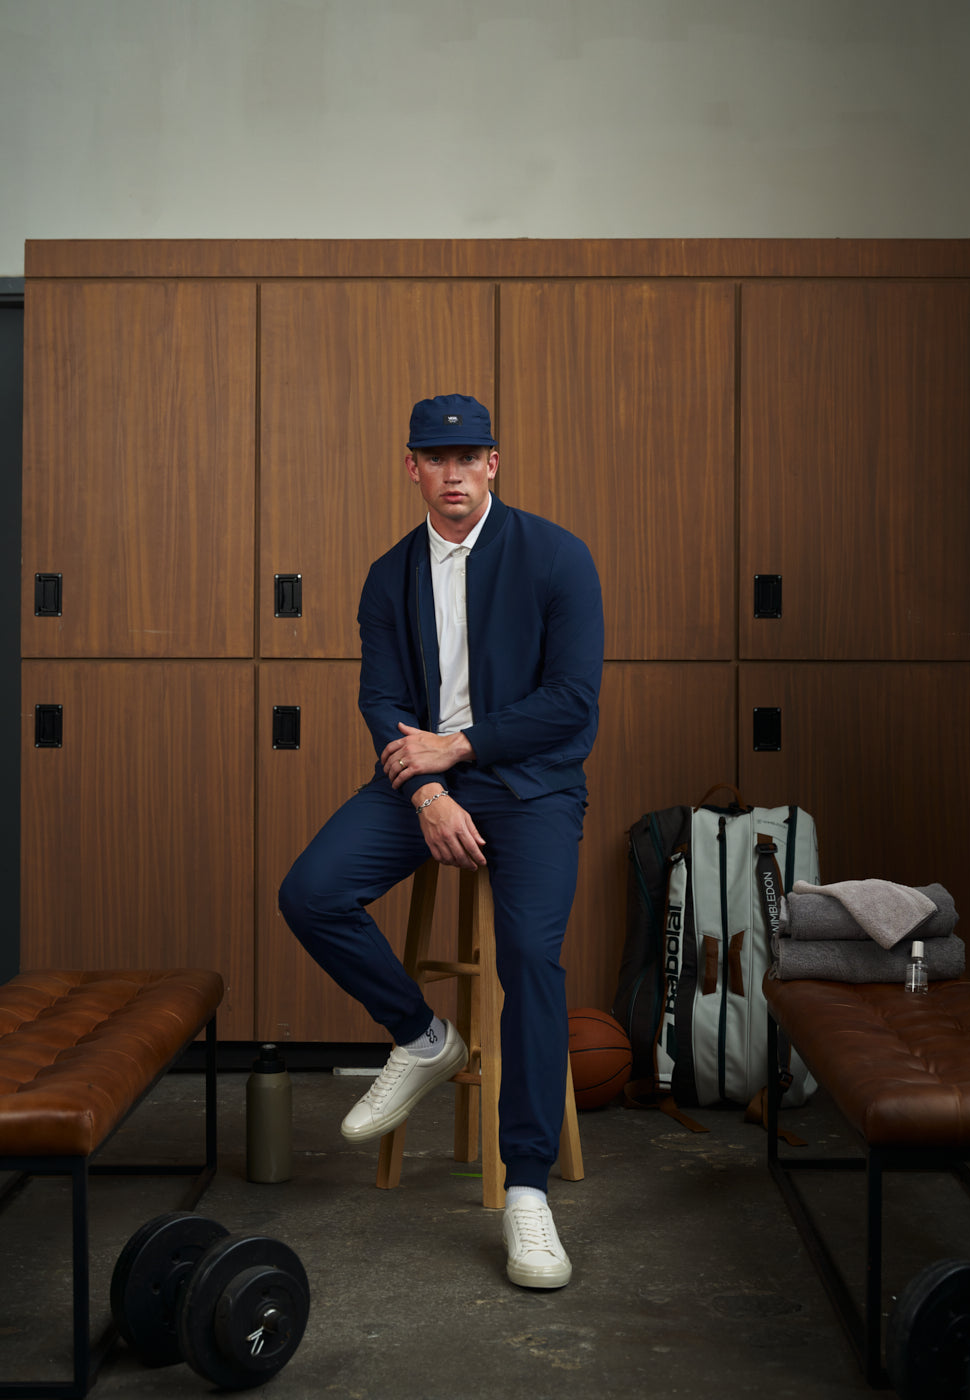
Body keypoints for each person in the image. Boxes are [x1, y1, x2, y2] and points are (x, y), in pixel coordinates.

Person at [278, 393, 603, 1288]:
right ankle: (423, 1037)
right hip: (423, 781)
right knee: (309, 893)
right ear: (412, 468)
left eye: (471, 458)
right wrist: (425, 791)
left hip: (531, 785)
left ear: (494, 464)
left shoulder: (555, 557)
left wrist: (457, 748)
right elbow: (381, 700)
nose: (454, 474)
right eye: (436, 458)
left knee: (530, 958)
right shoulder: (389, 576)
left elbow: (574, 703)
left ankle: (527, 1191)